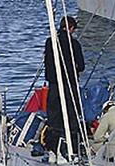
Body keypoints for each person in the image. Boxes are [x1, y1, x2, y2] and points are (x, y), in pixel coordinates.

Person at [35, 16, 85, 158]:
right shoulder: (74, 44)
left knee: (54, 115)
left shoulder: (50, 42)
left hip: (54, 84)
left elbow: (47, 62)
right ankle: (72, 145)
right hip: (69, 83)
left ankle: (53, 146)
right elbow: (81, 66)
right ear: (71, 28)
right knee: (72, 114)